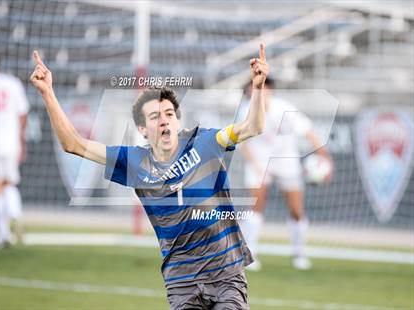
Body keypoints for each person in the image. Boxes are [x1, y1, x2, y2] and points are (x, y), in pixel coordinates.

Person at [30, 44, 269, 309]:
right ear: (143, 129)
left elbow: (253, 126)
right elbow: (73, 144)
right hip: (182, 280)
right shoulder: (134, 161)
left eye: (169, 114)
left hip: (226, 272)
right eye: (155, 117)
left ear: (178, 120)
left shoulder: (206, 141)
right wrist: (48, 93)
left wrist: (258, 88)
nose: (165, 121)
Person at [239, 78, 333, 271]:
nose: (258, 93)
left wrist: (325, 157)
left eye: (261, 89)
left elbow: (308, 132)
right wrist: (255, 164)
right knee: (255, 206)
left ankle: (299, 253)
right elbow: (242, 142)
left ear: (270, 90)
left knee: (296, 210)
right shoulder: (246, 110)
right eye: (254, 90)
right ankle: (250, 254)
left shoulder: (284, 109)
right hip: (260, 161)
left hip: (286, 160)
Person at [0, 53, 29, 247]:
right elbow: (22, 114)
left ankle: (4, 234)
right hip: (10, 142)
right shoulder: (13, 83)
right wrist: (20, 141)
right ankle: (16, 215)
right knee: (9, 184)